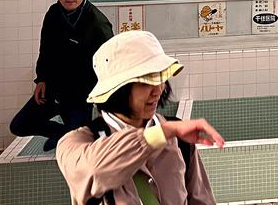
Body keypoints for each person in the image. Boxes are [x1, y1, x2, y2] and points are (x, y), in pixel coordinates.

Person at [57, 30, 224, 205]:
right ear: (118, 89)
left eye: (160, 77)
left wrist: (168, 131)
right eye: (146, 81)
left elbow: (200, 199)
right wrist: (163, 133)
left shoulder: (178, 137)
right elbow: (95, 170)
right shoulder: (77, 144)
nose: (158, 90)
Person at [10, 0, 114, 150]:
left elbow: (109, 65)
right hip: (52, 90)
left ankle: (71, 136)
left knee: (79, 144)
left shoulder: (98, 24)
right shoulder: (53, 14)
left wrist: (103, 102)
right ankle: (62, 134)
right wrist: (41, 79)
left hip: (79, 96)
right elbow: (45, 50)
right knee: (19, 125)